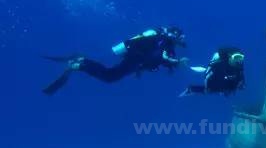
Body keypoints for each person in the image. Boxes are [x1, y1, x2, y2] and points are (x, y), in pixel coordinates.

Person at [42, 26, 188, 95]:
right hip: (134, 57)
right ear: (174, 35)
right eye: (180, 38)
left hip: (135, 59)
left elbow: (159, 58)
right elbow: (162, 57)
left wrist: (142, 69)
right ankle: (78, 64)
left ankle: (81, 61)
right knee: (110, 76)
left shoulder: (165, 43)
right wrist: (176, 62)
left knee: (109, 74)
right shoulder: (162, 40)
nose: (181, 41)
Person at [179, 47, 245, 97]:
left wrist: (241, 83)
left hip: (226, 77)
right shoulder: (219, 65)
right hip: (215, 78)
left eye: (240, 58)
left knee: (232, 87)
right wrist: (207, 88)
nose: (237, 60)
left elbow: (241, 74)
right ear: (230, 57)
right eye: (236, 57)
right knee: (211, 89)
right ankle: (190, 89)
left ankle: (224, 90)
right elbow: (207, 77)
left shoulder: (239, 65)